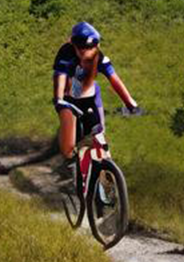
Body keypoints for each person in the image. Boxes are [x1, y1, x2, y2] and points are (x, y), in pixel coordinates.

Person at [52, 20, 140, 173]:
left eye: (90, 48)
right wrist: (59, 99)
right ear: (73, 46)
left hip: (90, 96)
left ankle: (108, 174)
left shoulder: (99, 57)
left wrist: (131, 104)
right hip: (69, 98)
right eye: (81, 49)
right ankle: (72, 165)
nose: (85, 52)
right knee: (69, 144)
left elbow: (115, 80)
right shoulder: (65, 53)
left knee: (100, 136)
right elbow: (60, 78)